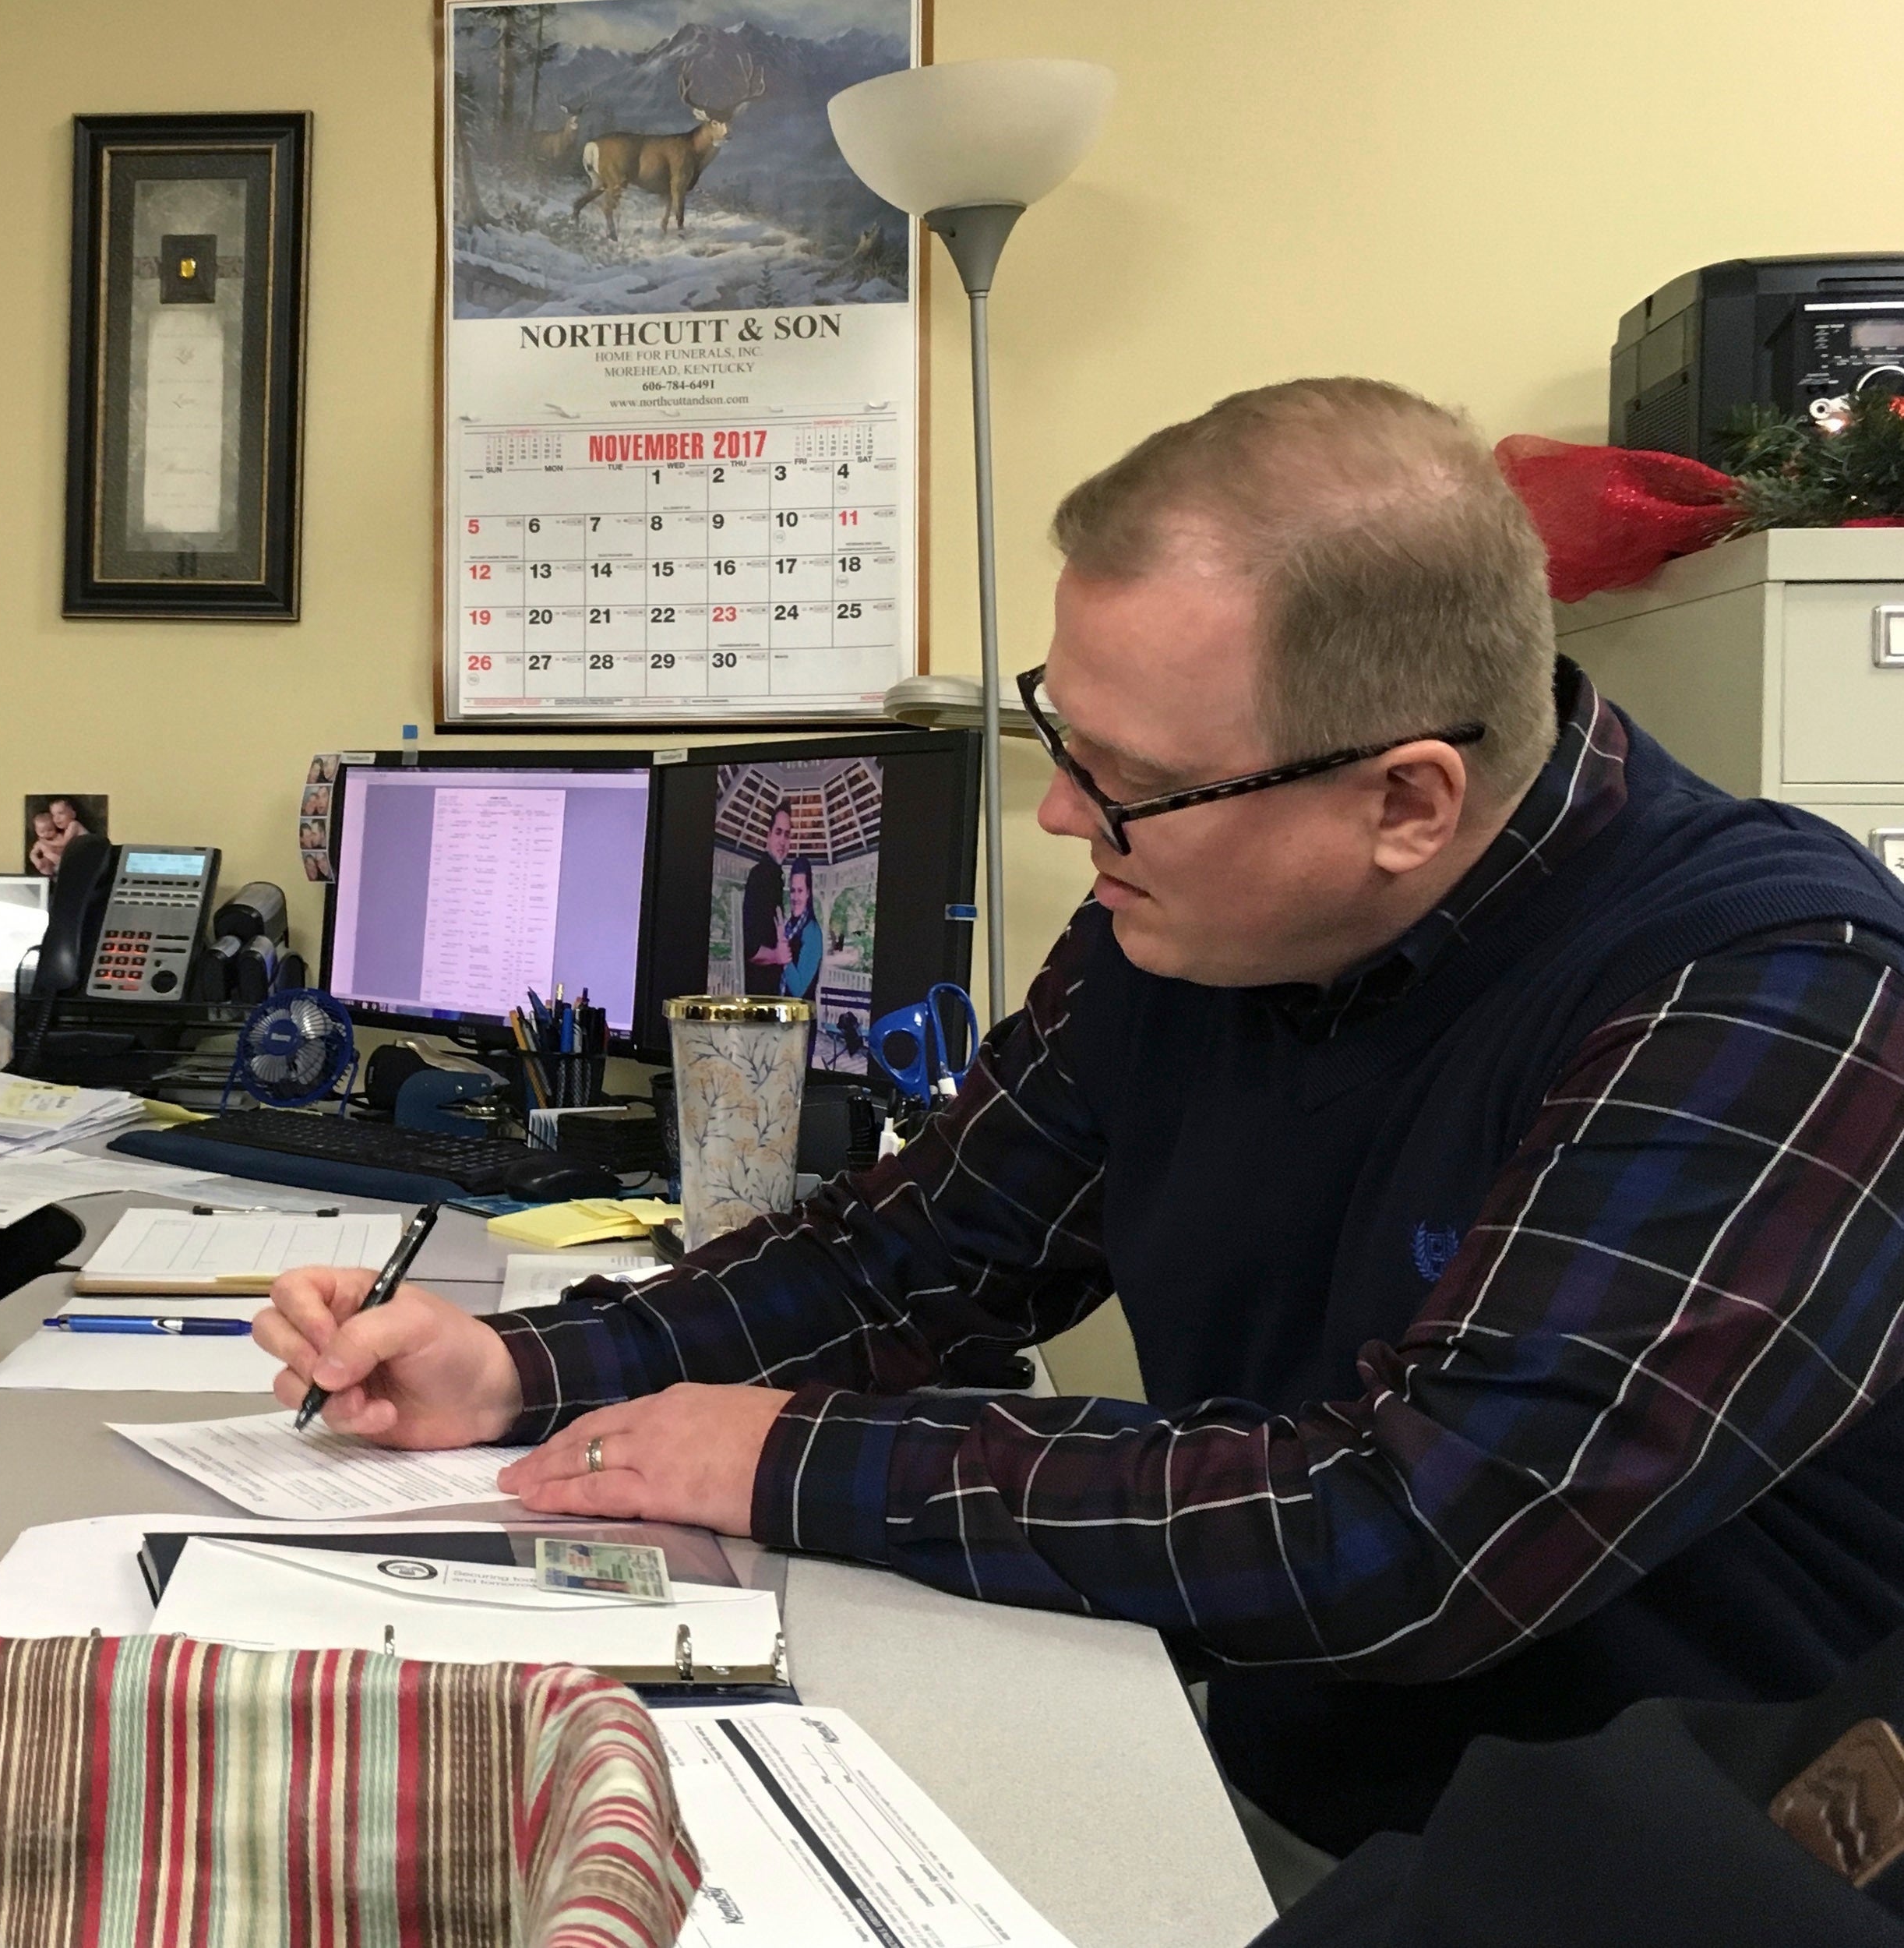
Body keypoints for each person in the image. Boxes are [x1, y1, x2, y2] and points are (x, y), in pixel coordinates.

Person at [255, 379, 1904, 1856]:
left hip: (1657, 1857)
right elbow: (916, 1254)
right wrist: (528, 1363)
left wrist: (783, 1453)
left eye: (1119, 773)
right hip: (1280, 1775)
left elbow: (1414, 1526)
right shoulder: (1189, 914)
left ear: (1403, 797)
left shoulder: (1777, 986)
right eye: (1064, 730)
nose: (1059, 811)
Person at [739, 801, 794, 993]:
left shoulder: (775, 878)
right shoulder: (760, 876)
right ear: (769, 836)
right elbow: (749, 948)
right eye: (778, 832)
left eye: (787, 835)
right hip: (759, 1000)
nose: (782, 841)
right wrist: (776, 956)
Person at [778, 859, 823, 1003]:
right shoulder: (788, 927)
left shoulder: (813, 932)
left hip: (802, 1020)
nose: (795, 897)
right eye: (792, 891)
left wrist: (782, 948)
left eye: (800, 891)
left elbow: (799, 990)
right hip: (784, 1015)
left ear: (808, 893)